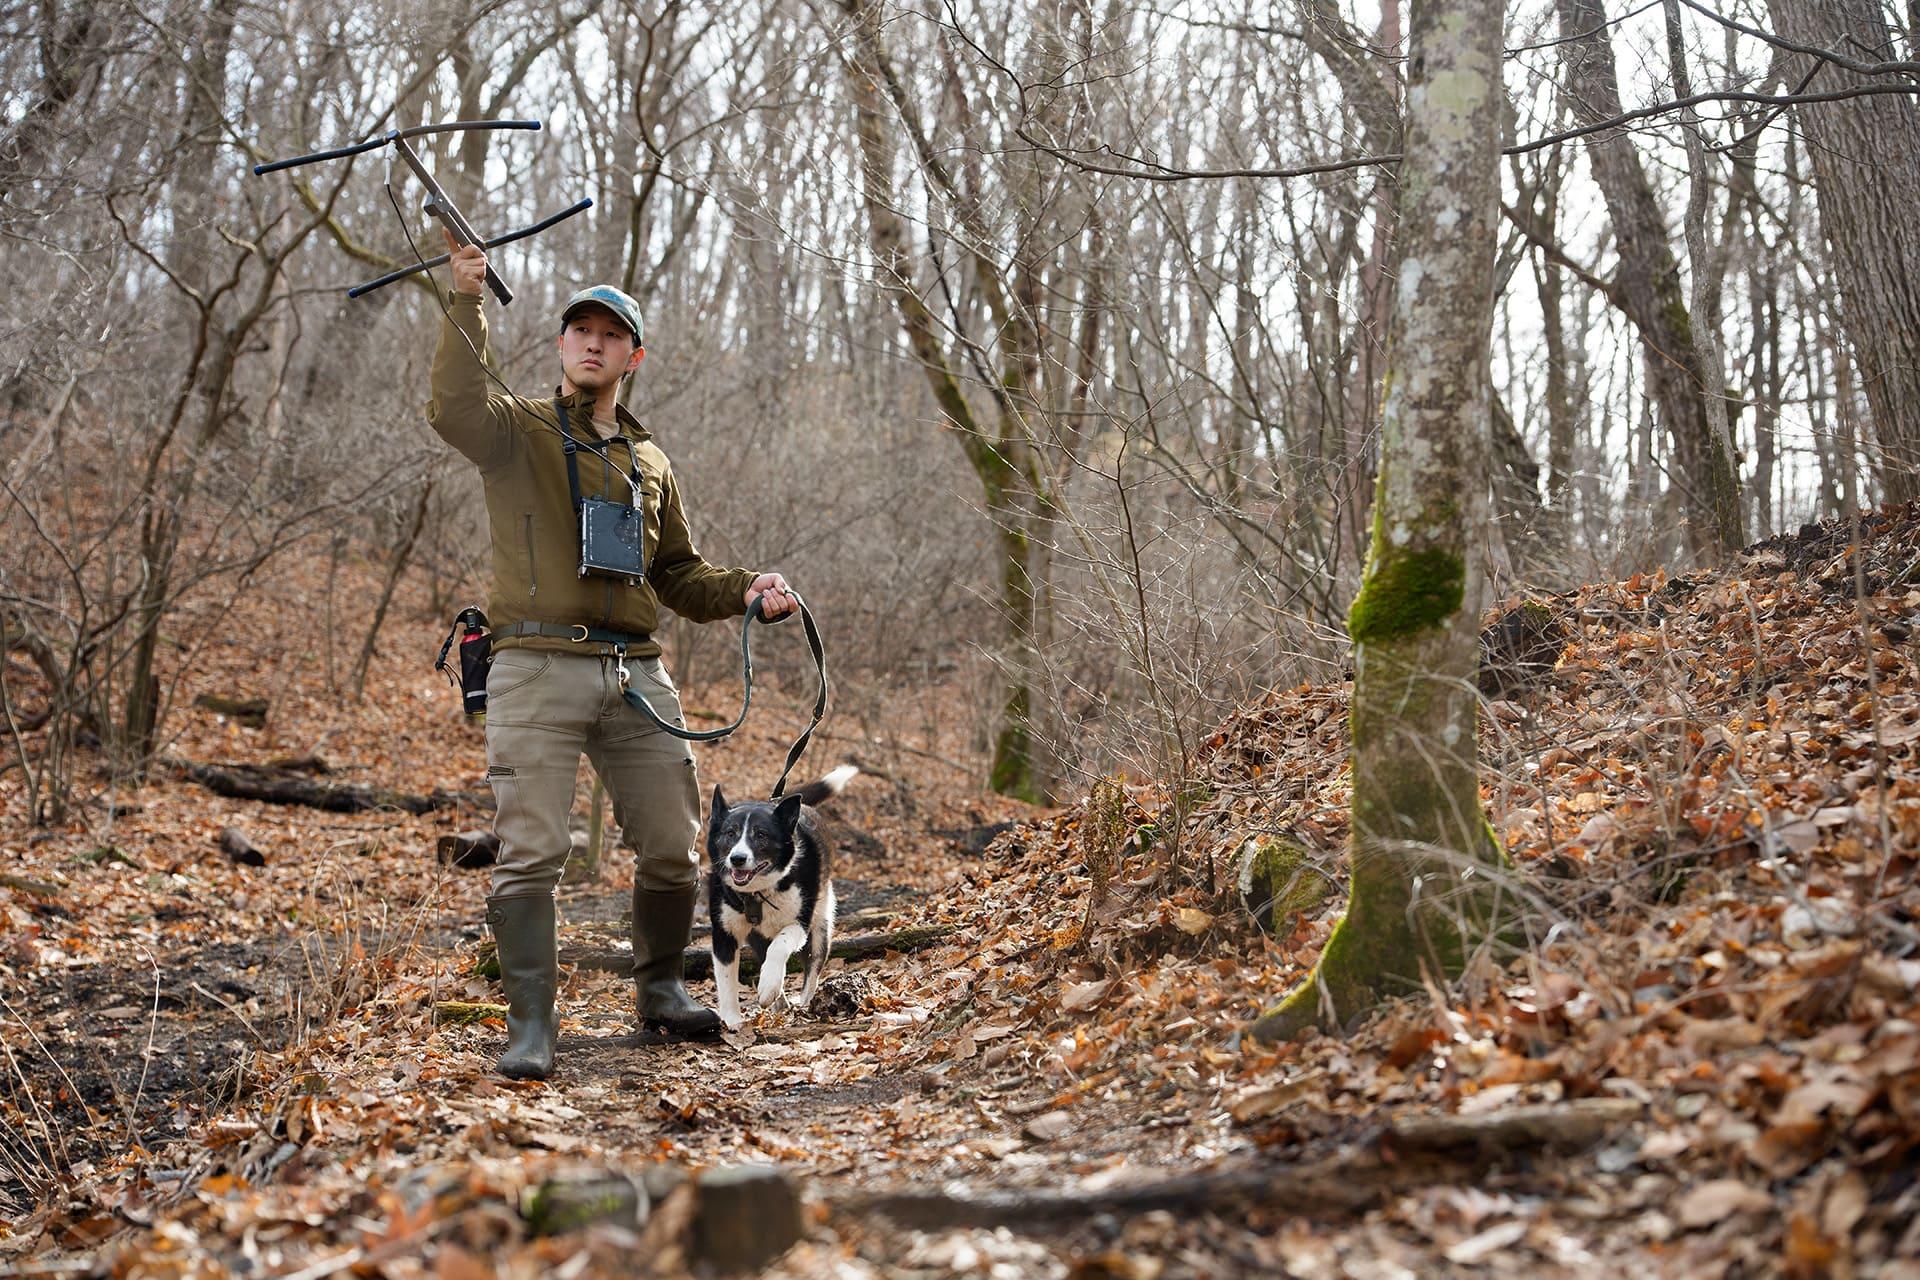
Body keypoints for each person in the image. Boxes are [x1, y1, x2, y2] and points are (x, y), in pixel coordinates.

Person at [426, 230, 796, 1080]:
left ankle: (661, 989)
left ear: (634, 353)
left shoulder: (650, 460)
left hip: (636, 672)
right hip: (532, 666)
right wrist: (466, 298)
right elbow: (452, 407)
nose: (593, 343)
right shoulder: (514, 430)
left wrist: (748, 591)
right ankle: (531, 1027)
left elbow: (678, 573)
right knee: (534, 849)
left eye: (610, 333)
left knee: (675, 844)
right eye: (579, 330)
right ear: (562, 344)